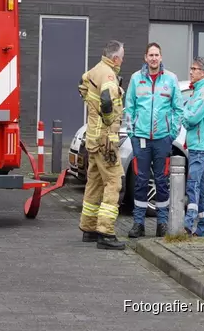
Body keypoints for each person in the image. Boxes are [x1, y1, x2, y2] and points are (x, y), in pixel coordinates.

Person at [124, 43, 184, 238]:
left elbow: (178, 109)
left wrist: (171, 134)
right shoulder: (136, 79)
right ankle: (138, 223)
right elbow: (129, 109)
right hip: (141, 139)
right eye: (150, 55)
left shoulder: (171, 79)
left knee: (161, 181)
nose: (153, 58)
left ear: (161, 57)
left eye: (156, 55)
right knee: (141, 181)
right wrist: (133, 135)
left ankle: (162, 223)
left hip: (161, 140)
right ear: (145, 57)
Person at [78, 40, 127, 250]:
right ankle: (106, 233)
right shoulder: (108, 74)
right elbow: (107, 101)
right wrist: (108, 122)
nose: (122, 61)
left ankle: (88, 228)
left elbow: (82, 88)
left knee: (95, 183)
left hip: (92, 139)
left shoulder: (94, 71)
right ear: (115, 58)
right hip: (105, 141)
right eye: (122, 57)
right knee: (114, 183)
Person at [182, 57, 204, 237]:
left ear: (203, 73)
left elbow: (191, 118)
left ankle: (187, 224)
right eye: (191, 68)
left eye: (194, 69)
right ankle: (203, 227)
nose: (191, 71)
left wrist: (183, 113)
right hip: (196, 145)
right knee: (200, 188)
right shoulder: (197, 92)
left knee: (192, 184)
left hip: (200, 147)